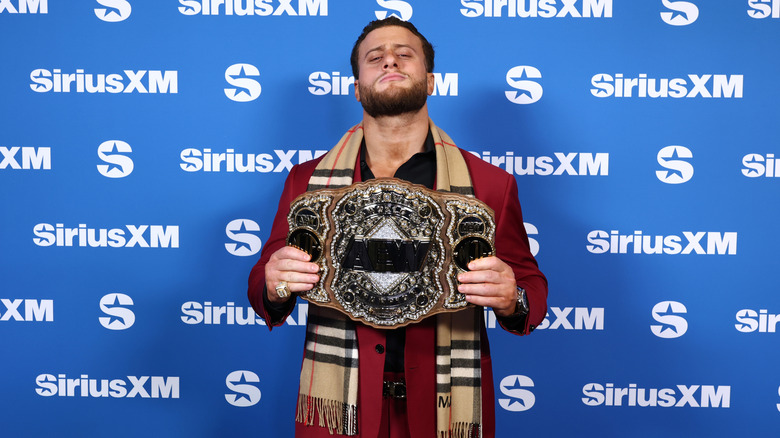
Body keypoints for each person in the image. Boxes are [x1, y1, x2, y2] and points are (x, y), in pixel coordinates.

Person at [248, 17, 547, 438]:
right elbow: (262, 285)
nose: (390, 60)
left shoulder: (489, 185)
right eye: (375, 57)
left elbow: (530, 287)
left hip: (443, 408)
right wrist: (274, 283)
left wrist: (510, 296)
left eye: (404, 54)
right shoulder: (307, 183)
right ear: (356, 86)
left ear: (430, 81)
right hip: (341, 410)